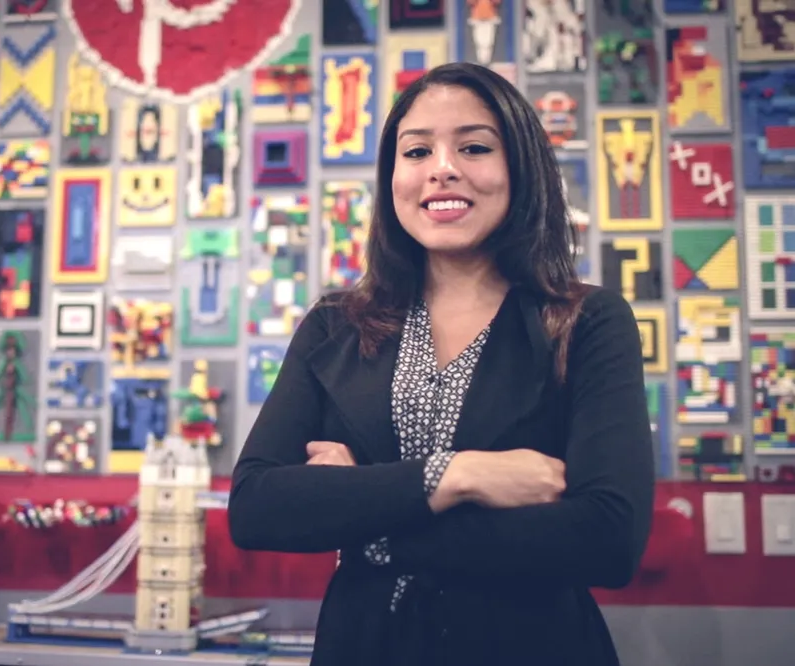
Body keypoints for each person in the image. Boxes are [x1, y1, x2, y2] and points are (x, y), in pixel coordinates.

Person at [227, 62, 655, 666]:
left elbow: (607, 539)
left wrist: (359, 512)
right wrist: (456, 476)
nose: (442, 168)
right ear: (393, 176)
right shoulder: (335, 324)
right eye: (417, 150)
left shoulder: (587, 322)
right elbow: (256, 508)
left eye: (474, 146)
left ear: (521, 170)